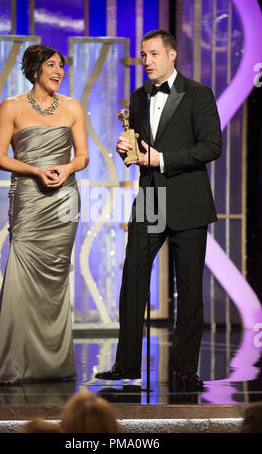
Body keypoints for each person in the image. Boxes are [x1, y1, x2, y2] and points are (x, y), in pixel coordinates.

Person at [96, 30, 222, 389]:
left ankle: (186, 369)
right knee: (132, 280)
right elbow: (138, 146)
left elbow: (211, 146)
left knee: (190, 289)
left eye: (152, 54)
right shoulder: (138, 97)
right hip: (150, 197)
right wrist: (127, 150)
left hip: (188, 200)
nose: (146, 61)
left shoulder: (198, 94)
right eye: (142, 55)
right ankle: (127, 363)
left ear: (172, 54)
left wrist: (162, 158)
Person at [0, 44, 89, 385]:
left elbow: (82, 156)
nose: (59, 71)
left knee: (55, 281)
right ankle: (12, 362)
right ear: (35, 69)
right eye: (52, 65)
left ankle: (52, 365)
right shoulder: (11, 106)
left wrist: (67, 168)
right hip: (29, 198)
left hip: (64, 199)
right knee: (21, 279)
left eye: (62, 67)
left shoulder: (72, 107)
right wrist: (36, 171)